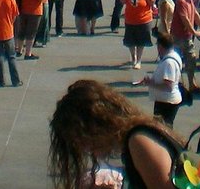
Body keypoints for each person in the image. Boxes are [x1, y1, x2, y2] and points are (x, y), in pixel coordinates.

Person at [49, 77, 186, 189]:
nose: (87, 150)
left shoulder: (139, 141)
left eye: (82, 140)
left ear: (94, 126)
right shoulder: (141, 133)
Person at [147, 31, 183, 127]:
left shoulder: (169, 62)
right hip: (166, 100)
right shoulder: (174, 56)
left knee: (162, 129)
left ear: (160, 46)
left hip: (166, 102)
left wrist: (150, 83)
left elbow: (168, 86)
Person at [122, 0, 156, 71]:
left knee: (141, 42)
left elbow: (152, 2)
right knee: (131, 42)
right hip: (130, 20)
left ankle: (139, 60)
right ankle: (134, 58)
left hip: (144, 19)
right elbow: (122, 0)